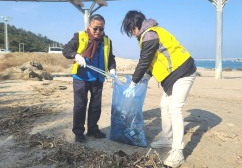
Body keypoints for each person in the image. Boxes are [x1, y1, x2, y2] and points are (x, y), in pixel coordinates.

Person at [121, 10, 196, 168]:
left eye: (131, 30)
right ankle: (167, 138)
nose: (132, 34)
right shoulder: (148, 34)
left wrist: (134, 82)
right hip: (172, 77)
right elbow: (152, 60)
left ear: (136, 25)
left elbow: (144, 61)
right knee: (164, 105)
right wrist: (147, 76)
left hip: (183, 72)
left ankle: (178, 152)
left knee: (175, 108)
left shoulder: (149, 34)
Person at [63, 14, 116, 143]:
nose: (98, 32)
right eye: (95, 29)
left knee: (96, 106)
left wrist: (112, 68)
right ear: (89, 26)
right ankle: (79, 132)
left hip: (98, 78)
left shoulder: (107, 41)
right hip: (81, 78)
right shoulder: (79, 36)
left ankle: (93, 129)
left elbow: (110, 58)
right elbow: (66, 49)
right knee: (80, 106)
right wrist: (75, 55)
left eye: (101, 29)